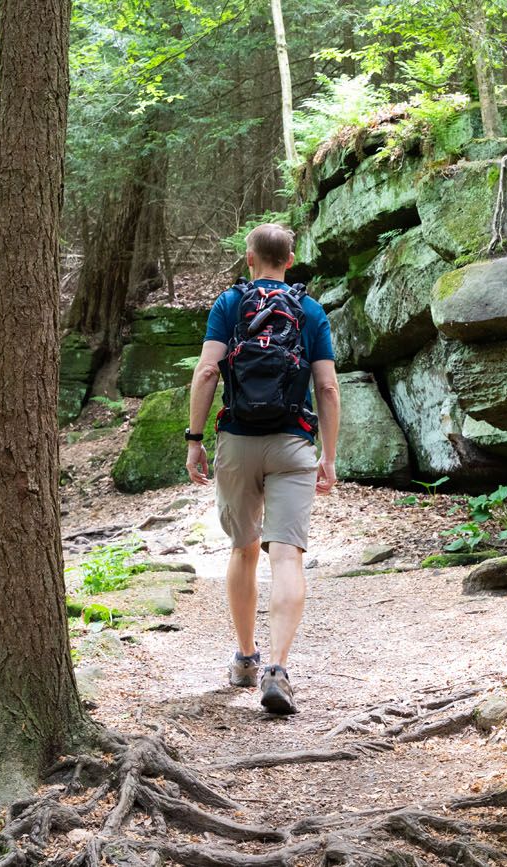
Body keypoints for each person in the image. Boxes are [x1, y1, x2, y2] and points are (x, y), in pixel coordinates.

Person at [185, 223, 339, 714]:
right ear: (290, 261)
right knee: (287, 556)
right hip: (294, 444)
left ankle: (246, 659)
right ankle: (278, 669)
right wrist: (329, 456)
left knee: (243, 548)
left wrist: (194, 439)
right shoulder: (310, 310)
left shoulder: (229, 305)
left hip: (237, 442)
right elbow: (328, 387)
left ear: (249, 260)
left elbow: (208, 370)